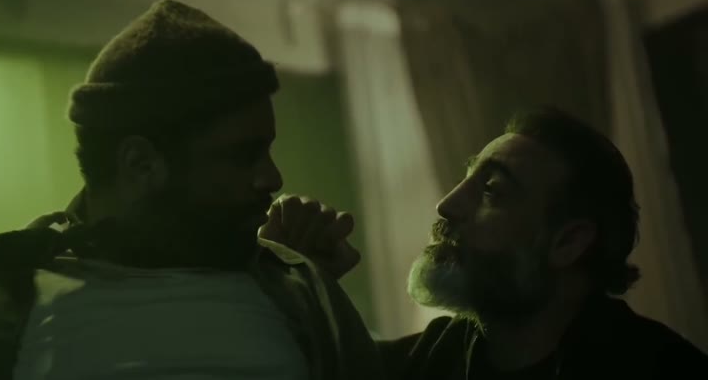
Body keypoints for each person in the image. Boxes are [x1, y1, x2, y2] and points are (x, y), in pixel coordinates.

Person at [0, 0, 381, 380]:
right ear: (140, 164)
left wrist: (306, 286)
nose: (272, 179)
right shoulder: (12, 292)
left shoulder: (295, 288)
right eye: (243, 155)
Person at [264, 107, 708, 379]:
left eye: (492, 190)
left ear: (568, 242)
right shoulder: (426, 362)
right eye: (466, 177)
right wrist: (304, 283)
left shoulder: (661, 369)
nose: (446, 205)